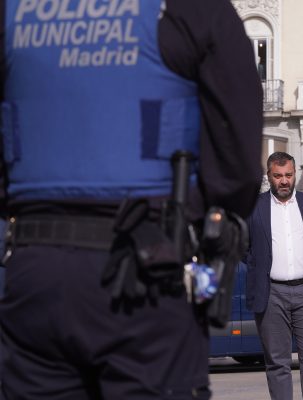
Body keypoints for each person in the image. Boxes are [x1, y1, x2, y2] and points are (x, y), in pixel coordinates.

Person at [0, 0, 264, 397]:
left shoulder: (15, 10)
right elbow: (238, 160)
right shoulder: (190, 10)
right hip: (148, 272)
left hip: (33, 269)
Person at [244, 152, 303, 400]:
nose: (284, 181)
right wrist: (259, 266)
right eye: (278, 175)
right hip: (271, 294)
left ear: (294, 176)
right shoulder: (254, 207)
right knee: (277, 362)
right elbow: (243, 247)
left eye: (288, 175)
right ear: (268, 176)